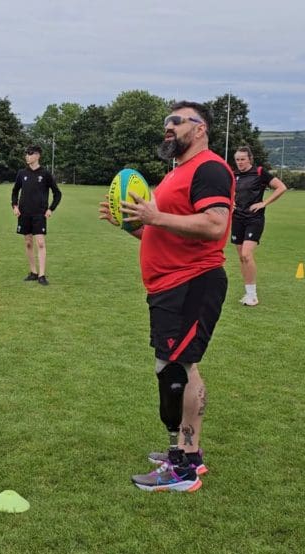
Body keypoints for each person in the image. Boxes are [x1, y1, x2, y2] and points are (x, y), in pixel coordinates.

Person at [99, 101, 234, 493]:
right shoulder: (178, 173)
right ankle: (188, 455)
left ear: (201, 128)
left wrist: (155, 217)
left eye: (177, 121)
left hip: (193, 283)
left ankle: (183, 468)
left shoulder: (209, 168)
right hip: (169, 285)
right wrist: (130, 227)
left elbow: (214, 225)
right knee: (175, 367)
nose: (168, 128)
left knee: (177, 369)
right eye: (166, 123)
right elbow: (163, 233)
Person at [231, 145, 288, 306]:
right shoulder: (233, 175)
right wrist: (230, 202)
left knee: (247, 255)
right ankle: (248, 293)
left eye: (242, 159)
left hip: (254, 220)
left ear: (250, 158)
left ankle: (253, 296)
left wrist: (264, 203)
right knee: (242, 257)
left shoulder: (259, 172)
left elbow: (281, 187)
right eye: (237, 160)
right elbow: (226, 192)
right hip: (237, 219)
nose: (240, 162)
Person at [11, 144, 61, 286]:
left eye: (30, 153)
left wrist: (51, 209)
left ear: (38, 155)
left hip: (39, 214)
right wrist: (15, 206)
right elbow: (15, 191)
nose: (27, 155)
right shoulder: (22, 173)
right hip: (24, 214)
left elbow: (57, 193)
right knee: (28, 243)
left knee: (40, 243)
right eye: (26, 153)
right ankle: (33, 272)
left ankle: (42, 275)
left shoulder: (45, 174)